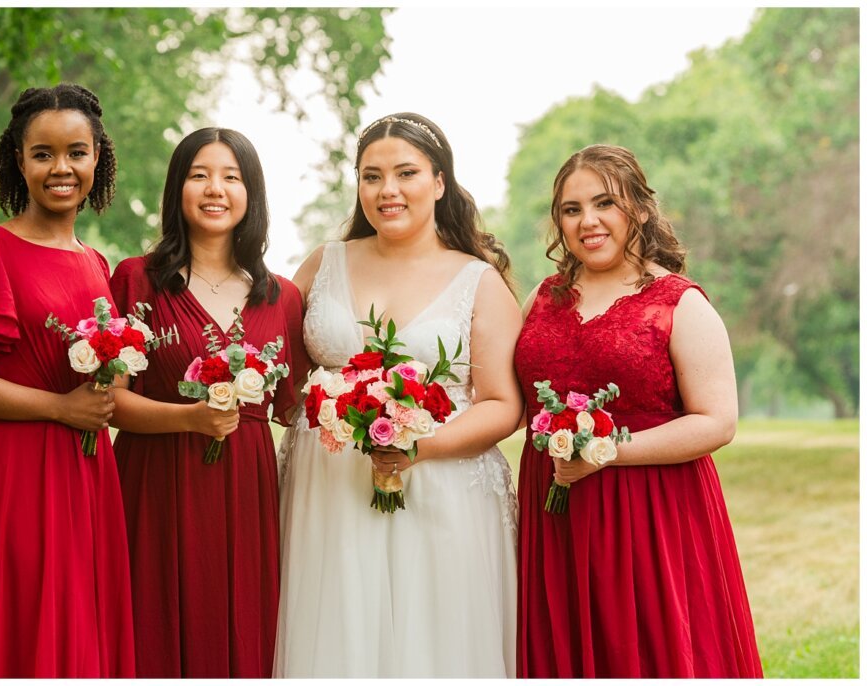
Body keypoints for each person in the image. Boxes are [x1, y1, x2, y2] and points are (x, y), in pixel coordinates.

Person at [274, 113, 523, 677]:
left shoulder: (477, 280)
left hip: (442, 485)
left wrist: (420, 448)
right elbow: (282, 373)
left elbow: (503, 404)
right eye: (371, 176)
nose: (387, 190)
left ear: (439, 183)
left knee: (432, 639)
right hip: (328, 486)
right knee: (336, 629)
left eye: (405, 173)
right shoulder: (323, 262)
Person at [515, 144, 762, 677]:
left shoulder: (679, 302)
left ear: (641, 209)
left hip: (651, 514)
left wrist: (606, 454)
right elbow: (512, 399)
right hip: (553, 509)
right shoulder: (541, 297)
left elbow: (717, 421)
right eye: (571, 209)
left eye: (606, 203)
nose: (588, 222)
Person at [0, 84, 134, 677]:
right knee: (21, 622)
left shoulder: (96, 265)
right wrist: (59, 409)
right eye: (43, 154)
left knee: (77, 628)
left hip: (87, 475)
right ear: (19, 160)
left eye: (76, 152)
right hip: (13, 470)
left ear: (98, 158)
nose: (61, 168)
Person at [108, 127, 307, 678]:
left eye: (231, 176)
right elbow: (110, 404)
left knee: (242, 624)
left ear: (252, 193)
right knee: (153, 624)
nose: (214, 189)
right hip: (154, 480)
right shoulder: (136, 279)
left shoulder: (282, 296)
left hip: (246, 487)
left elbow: (293, 408)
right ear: (178, 189)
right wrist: (189, 418)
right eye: (199, 175)